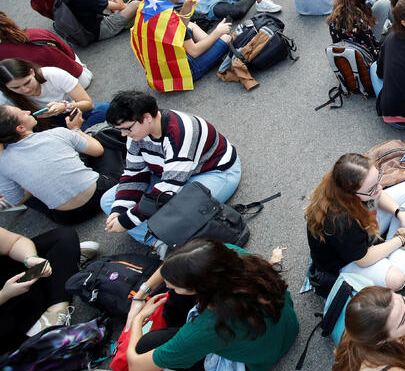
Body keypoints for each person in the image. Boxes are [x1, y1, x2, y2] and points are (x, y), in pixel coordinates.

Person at [124, 239, 298, 371]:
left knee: (145, 345)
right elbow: (171, 267)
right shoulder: (226, 257)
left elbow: (135, 367)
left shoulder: (207, 328)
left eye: (174, 285)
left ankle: (181, 359)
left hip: (255, 362)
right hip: (284, 328)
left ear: (201, 288)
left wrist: (139, 319)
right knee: (176, 299)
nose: (168, 285)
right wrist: (141, 295)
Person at [100, 91, 242, 246]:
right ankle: (157, 241)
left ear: (147, 117)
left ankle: (163, 238)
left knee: (176, 209)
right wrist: (119, 211)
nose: (123, 134)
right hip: (167, 173)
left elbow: (168, 189)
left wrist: (128, 220)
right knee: (109, 201)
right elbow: (134, 174)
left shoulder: (181, 131)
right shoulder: (136, 134)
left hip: (214, 172)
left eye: (127, 129)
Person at [306, 152, 405, 294]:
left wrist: (401, 214)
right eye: (372, 188)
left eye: (378, 180)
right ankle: (403, 244)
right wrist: (403, 239)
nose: (380, 189)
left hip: (362, 231)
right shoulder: (341, 222)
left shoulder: (343, 182)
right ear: (352, 195)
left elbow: (379, 195)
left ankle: (395, 245)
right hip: (346, 262)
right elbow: (364, 259)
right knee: (397, 279)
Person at [0, 101, 120, 224]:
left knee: (24, 195)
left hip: (68, 217)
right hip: (102, 192)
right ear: (20, 128)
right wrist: (76, 129)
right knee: (101, 141)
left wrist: (31, 182)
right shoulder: (56, 133)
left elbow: (17, 200)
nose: (28, 112)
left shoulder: (2, 163)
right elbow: (98, 151)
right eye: (23, 113)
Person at [134, 0, 233, 87]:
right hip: (183, 73)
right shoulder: (169, 18)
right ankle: (215, 48)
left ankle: (213, 48)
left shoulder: (147, 5)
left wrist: (186, 7)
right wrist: (217, 32)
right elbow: (194, 52)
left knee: (191, 25)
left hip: (159, 73)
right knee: (225, 38)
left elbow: (178, 28)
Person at [0, 225, 81, 353]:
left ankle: (56, 310)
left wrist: (30, 259)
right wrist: (5, 294)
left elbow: (14, 242)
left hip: (14, 277)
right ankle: (65, 269)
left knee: (63, 236)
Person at [0, 57, 107, 130]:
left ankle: (80, 138)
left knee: (103, 109)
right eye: (16, 88)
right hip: (41, 126)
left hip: (70, 114)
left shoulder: (53, 75)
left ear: (32, 72)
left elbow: (88, 104)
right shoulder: (4, 97)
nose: (25, 90)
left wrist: (65, 107)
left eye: (27, 82)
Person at [0, 12, 90, 86]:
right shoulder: (37, 32)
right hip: (81, 79)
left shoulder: (2, 54)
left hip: (52, 96)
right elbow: (69, 53)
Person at [327, 0, 392, 59]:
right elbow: (374, 54)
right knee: (395, 39)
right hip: (365, 60)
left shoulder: (342, 1)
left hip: (346, 54)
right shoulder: (358, 19)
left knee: (383, 4)